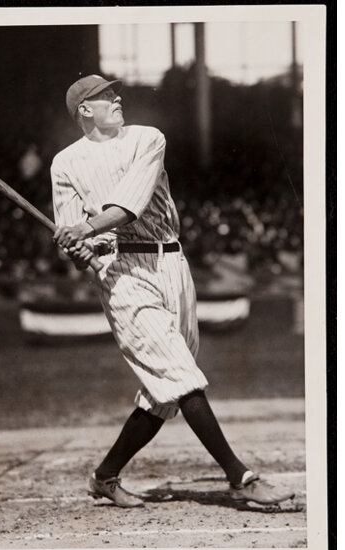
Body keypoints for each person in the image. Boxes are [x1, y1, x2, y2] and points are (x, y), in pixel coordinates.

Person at [51, 74, 294, 508]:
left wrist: (86, 227)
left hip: (171, 262)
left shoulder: (147, 138)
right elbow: (81, 248)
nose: (117, 97)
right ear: (85, 110)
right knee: (180, 377)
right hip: (122, 273)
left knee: (165, 393)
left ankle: (105, 476)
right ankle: (242, 478)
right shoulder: (64, 163)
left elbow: (129, 205)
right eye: (106, 96)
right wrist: (75, 246)